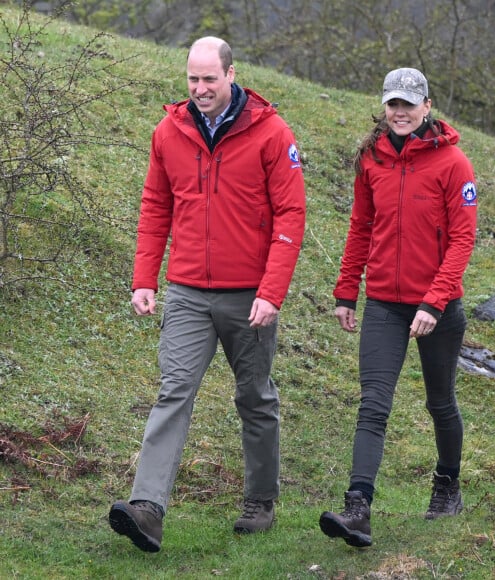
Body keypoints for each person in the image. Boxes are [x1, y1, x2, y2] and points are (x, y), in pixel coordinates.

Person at [108, 36, 306, 553]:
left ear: (231, 74)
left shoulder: (271, 133)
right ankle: (147, 508)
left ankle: (260, 501)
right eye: (192, 79)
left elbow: (291, 216)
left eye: (209, 79)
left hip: (250, 296)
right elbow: (155, 207)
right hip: (188, 292)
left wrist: (272, 292)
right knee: (174, 391)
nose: (199, 89)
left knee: (254, 398)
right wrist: (145, 278)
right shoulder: (168, 132)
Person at [319, 68, 477, 548]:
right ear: (384, 107)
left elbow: (462, 241)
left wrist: (434, 301)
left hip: (439, 308)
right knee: (373, 404)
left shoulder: (454, 164)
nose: (401, 112)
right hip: (384, 304)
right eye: (393, 104)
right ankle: (357, 509)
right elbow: (360, 227)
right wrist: (347, 290)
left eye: (409, 104)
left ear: (427, 106)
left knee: (439, 402)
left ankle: (447, 486)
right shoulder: (371, 159)